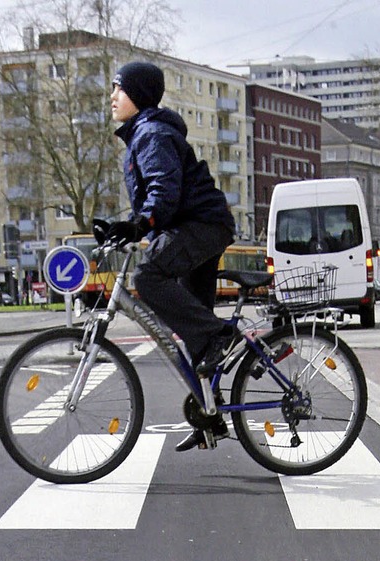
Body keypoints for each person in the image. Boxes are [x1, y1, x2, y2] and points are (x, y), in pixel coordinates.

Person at [106, 61, 236, 452]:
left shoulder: (152, 134)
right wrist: (125, 226)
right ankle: (210, 416)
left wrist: (140, 225)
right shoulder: (145, 134)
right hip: (199, 227)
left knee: (147, 280)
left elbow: (164, 192)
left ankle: (221, 335)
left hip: (200, 226)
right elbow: (153, 200)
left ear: (139, 95)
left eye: (119, 89)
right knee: (191, 335)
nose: (112, 97)